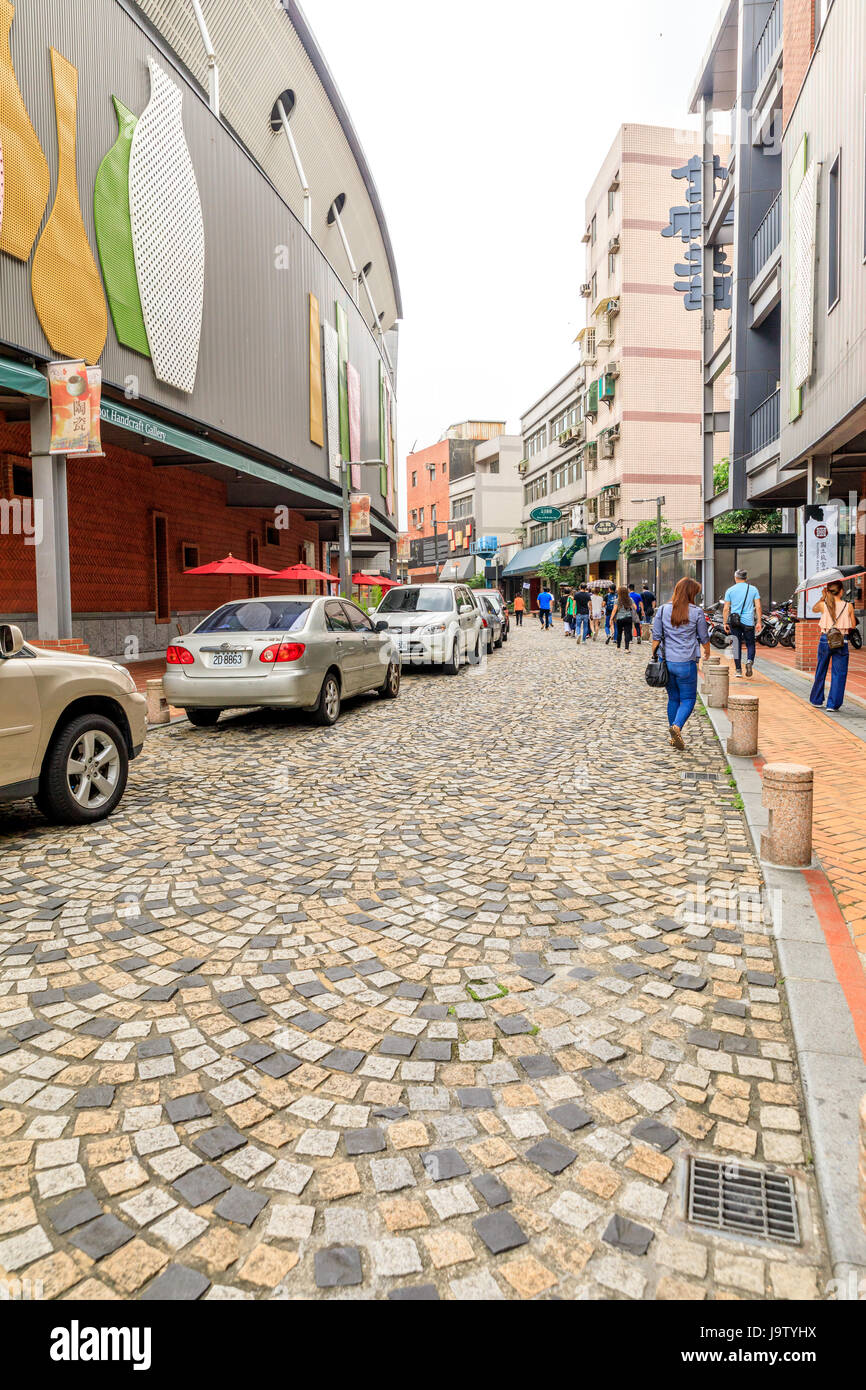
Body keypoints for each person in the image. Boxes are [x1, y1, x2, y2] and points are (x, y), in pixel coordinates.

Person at [652, 576, 710, 750]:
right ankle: (676, 727)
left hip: (667, 661)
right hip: (687, 662)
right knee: (688, 698)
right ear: (692, 593)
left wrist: (655, 659)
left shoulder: (662, 610)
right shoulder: (696, 612)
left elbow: (656, 637)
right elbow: (704, 636)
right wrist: (707, 650)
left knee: (673, 698)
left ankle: (673, 733)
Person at [810, 581, 856, 711]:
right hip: (842, 640)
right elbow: (852, 625)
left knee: (821, 670)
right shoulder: (848, 606)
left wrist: (823, 597)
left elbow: (814, 609)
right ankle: (833, 704)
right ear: (841, 591)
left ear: (829, 591)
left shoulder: (823, 605)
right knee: (839, 673)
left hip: (825, 639)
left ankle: (816, 700)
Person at [723, 568, 762, 678]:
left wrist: (725, 622)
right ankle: (749, 661)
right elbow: (758, 607)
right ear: (746, 578)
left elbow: (726, 608)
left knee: (736, 645)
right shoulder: (753, 589)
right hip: (748, 621)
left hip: (735, 621)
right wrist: (759, 621)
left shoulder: (730, 590)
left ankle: (738, 670)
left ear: (735, 578)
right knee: (750, 644)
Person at [610, 585, 637, 651]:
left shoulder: (617, 600)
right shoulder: (630, 599)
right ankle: (626, 648)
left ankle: (618, 647)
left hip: (619, 618)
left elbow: (614, 609)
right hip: (628, 618)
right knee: (627, 633)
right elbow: (635, 607)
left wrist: (611, 618)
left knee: (619, 632)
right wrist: (630, 609)